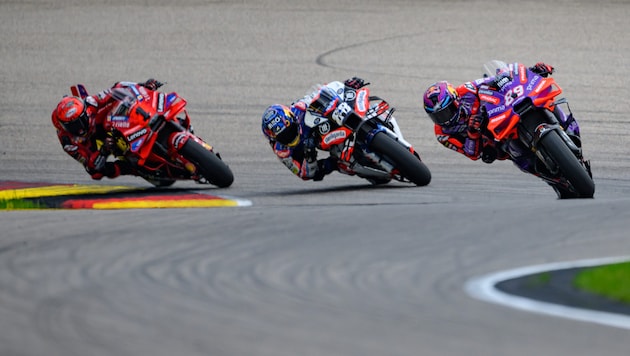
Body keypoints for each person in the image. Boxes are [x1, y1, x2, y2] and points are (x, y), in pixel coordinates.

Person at [422, 62, 581, 173]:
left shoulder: (466, 90)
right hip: (493, 141)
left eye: (446, 111)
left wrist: (531, 71)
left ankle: (567, 127)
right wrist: (472, 133)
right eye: (437, 116)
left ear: (455, 99)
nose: (443, 119)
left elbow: (493, 80)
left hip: (501, 114)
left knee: (545, 101)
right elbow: (472, 154)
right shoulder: (442, 134)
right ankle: (543, 170)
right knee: (510, 151)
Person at [261, 77, 408, 181]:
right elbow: (304, 173)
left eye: (289, 130)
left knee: (373, 109)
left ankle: (396, 139)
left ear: (291, 118)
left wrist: (348, 87)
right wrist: (310, 156)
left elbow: (323, 92)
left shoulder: (298, 108)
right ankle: (372, 169)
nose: (288, 136)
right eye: (283, 136)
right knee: (341, 164)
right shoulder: (282, 150)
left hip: (335, 124)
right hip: (327, 143)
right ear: (274, 139)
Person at [51, 79, 163, 180]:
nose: (79, 129)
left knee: (121, 98)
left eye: (80, 122)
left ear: (86, 112)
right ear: (62, 126)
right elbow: (89, 164)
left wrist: (142, 85)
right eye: (72, 126)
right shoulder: (68, 142)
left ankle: (148, 118)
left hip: (101, 121)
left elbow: (117, 87)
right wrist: (103, 151)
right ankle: (135, 170)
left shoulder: (91, 102)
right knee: (96, 172)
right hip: (92, 142)